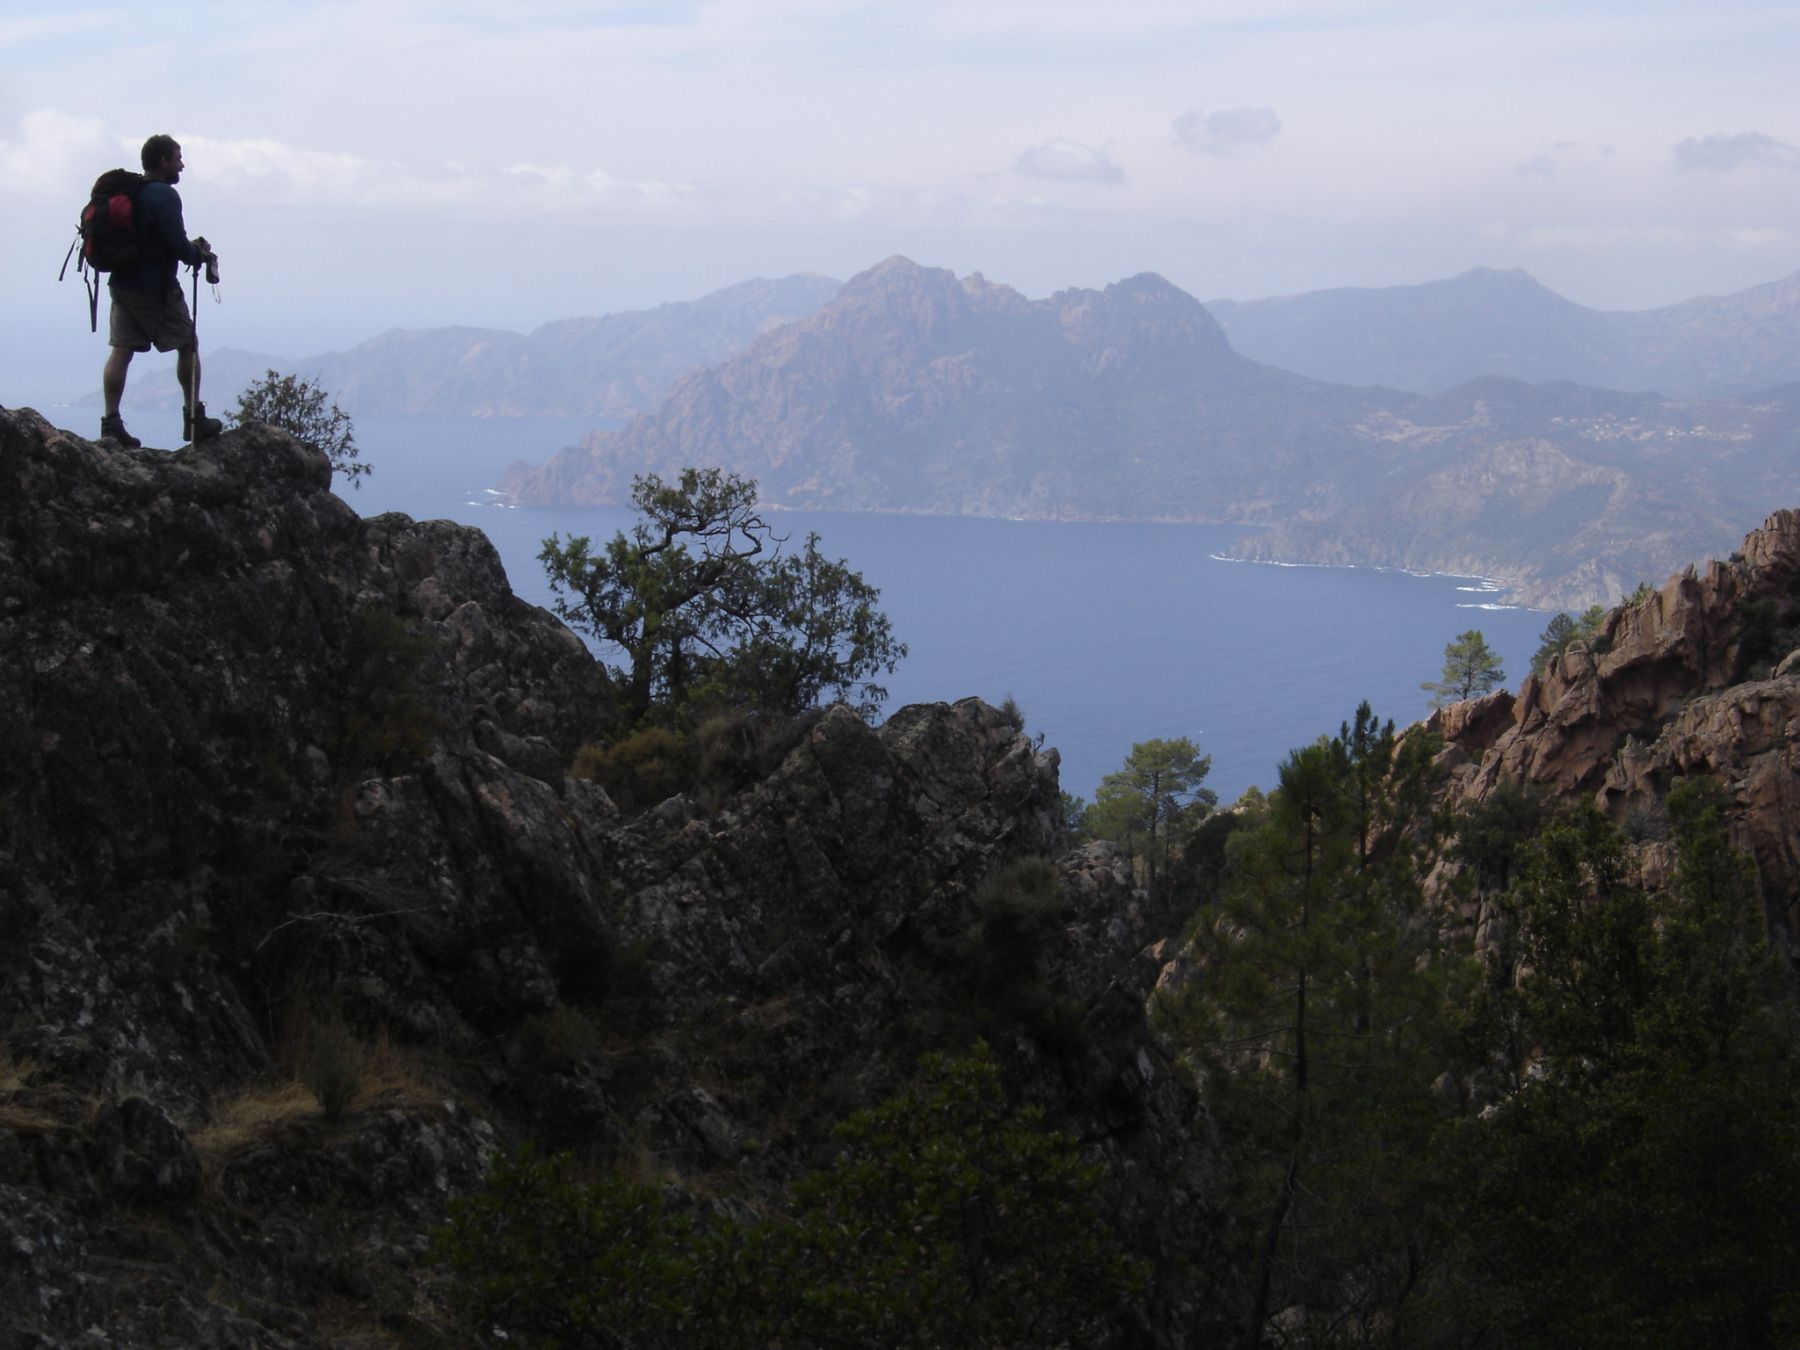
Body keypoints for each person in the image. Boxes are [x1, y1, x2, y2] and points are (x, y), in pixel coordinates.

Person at [99, 134, 222, 448]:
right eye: (178, 158)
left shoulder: (133, 192)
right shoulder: (163, 196)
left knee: (121, 351)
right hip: (154, 287)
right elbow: (176, 245)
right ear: (164, 161)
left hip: (122, 284)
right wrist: (198, 254)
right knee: (187, 343)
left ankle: (111, 422)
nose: (182, 164)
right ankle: (193, 417)